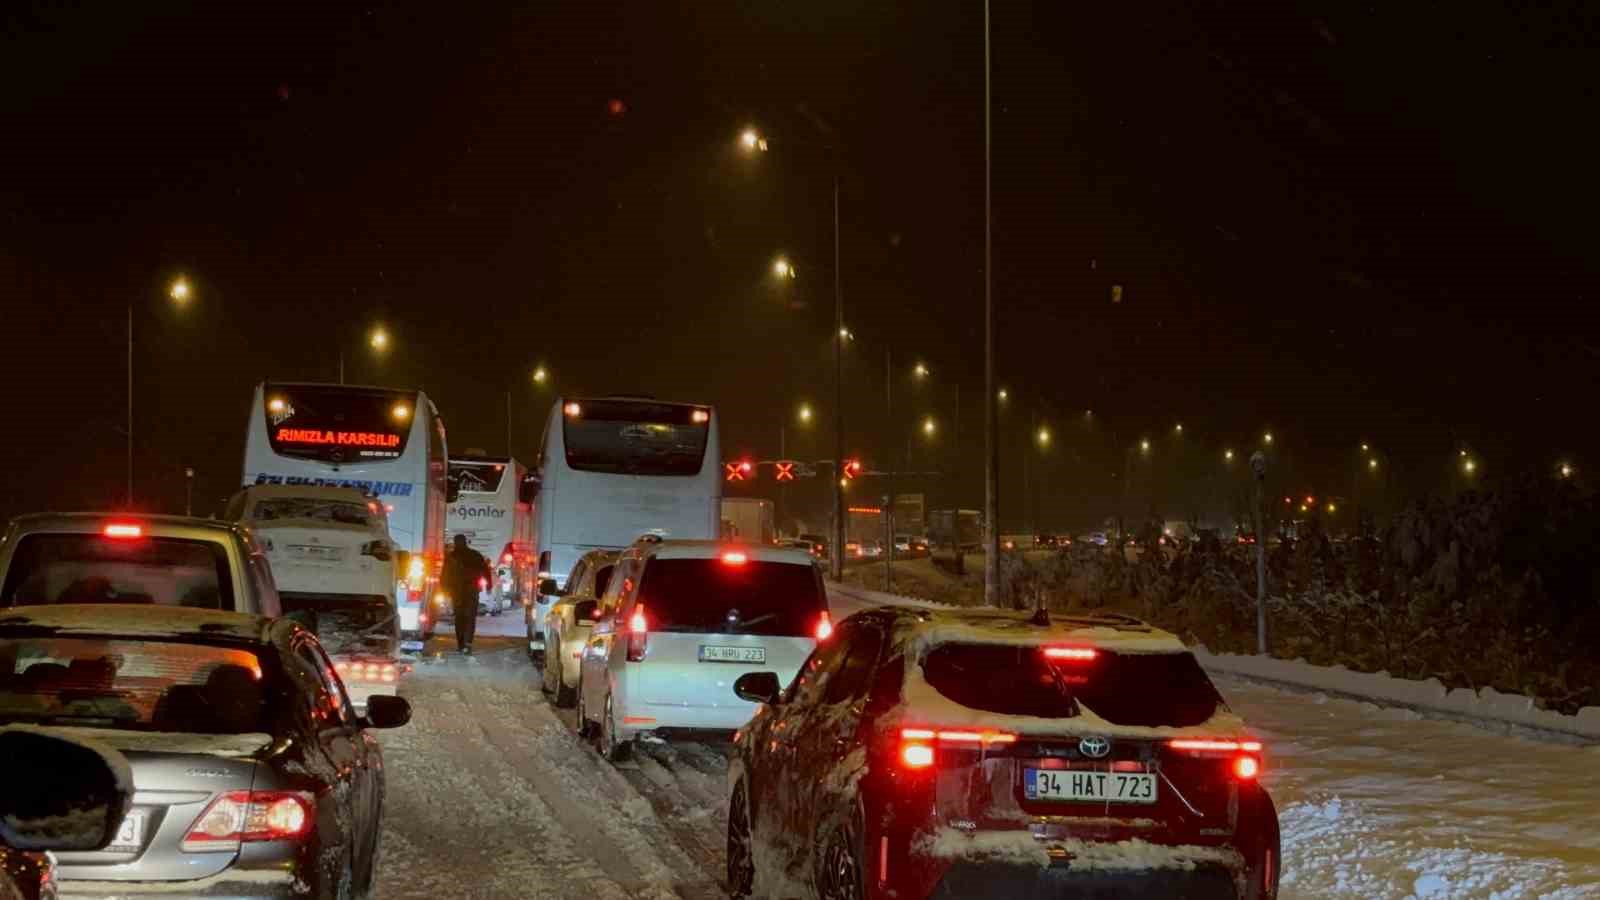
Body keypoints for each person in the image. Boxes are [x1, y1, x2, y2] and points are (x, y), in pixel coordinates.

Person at [442, 534, 489, 654]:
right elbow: (485, 570)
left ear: (456, 542)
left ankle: (461, 644)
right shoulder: (475, 555)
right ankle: (467, 644)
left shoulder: (451, 557)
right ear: (466, 542)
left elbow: (445, 575)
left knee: (459, 618)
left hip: (457, 592)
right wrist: (488, 585)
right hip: (472, 591)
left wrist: (445, 589)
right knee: (470, 618)